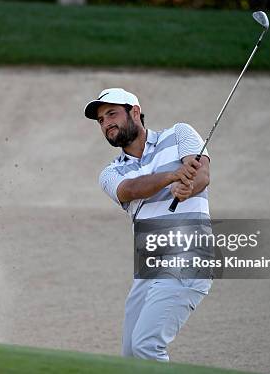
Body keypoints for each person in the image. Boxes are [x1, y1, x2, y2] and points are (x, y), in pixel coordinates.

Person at [84, 88, 213, 362]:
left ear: (135, 111)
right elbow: (130, 189)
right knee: (131, 354)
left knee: (146, 346)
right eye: (101, 120)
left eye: (111, 114)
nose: (106, 123)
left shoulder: (179, 134)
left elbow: (201, 173)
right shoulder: (111, 172)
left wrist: (188, 188)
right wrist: (172, 177)